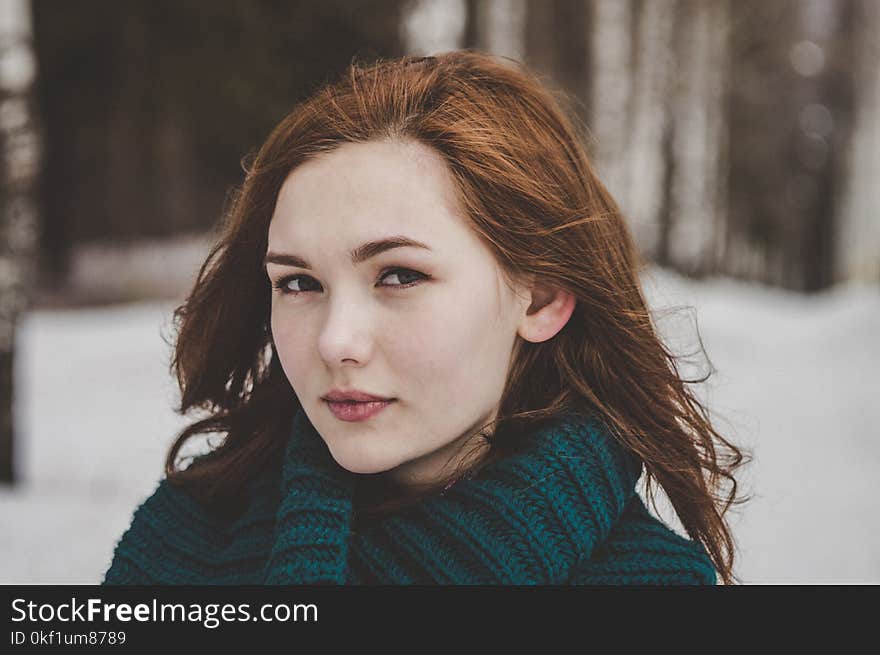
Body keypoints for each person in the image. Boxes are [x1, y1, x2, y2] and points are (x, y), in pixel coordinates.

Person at [103, 50, 748, 585]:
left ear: (542, 298)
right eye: (298, 282)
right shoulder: (186, 541)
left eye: (399, 276)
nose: (336, 342)